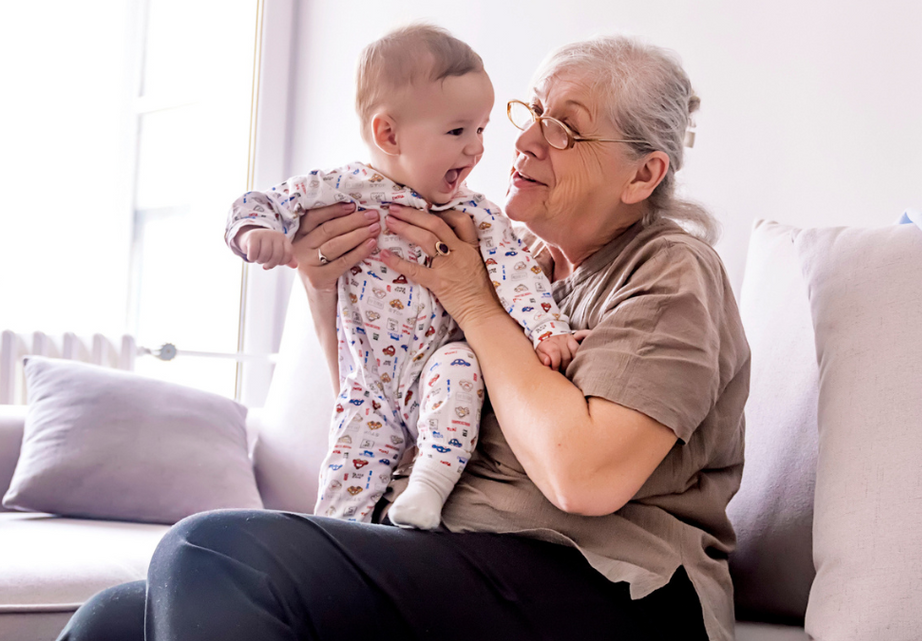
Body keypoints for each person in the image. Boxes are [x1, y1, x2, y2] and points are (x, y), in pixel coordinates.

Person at [58, 34, 748, 641]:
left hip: (615, 587)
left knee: (213, 549)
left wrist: (473, 302)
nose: (526, 139)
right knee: (114, 619)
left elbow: (584, 474)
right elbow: (397, 411)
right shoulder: (523, 264)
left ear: (643, 174)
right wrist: (324, 291)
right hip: (459, 551)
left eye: (564, 128)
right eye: (531, 112)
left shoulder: (669, 268)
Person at [223, 24, 578, 529]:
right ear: (388, 134)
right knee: (343, 486)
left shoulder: (474, 212)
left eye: (480, 130)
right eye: (458, 132)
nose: (476, 150)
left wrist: (548, 329)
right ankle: (335, 547)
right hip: (368, 385)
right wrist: (254, 232)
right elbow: (260, 202)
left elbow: (518, 273)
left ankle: (428, 486)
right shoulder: (342, 189)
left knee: (460, 366)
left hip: (436, 369)